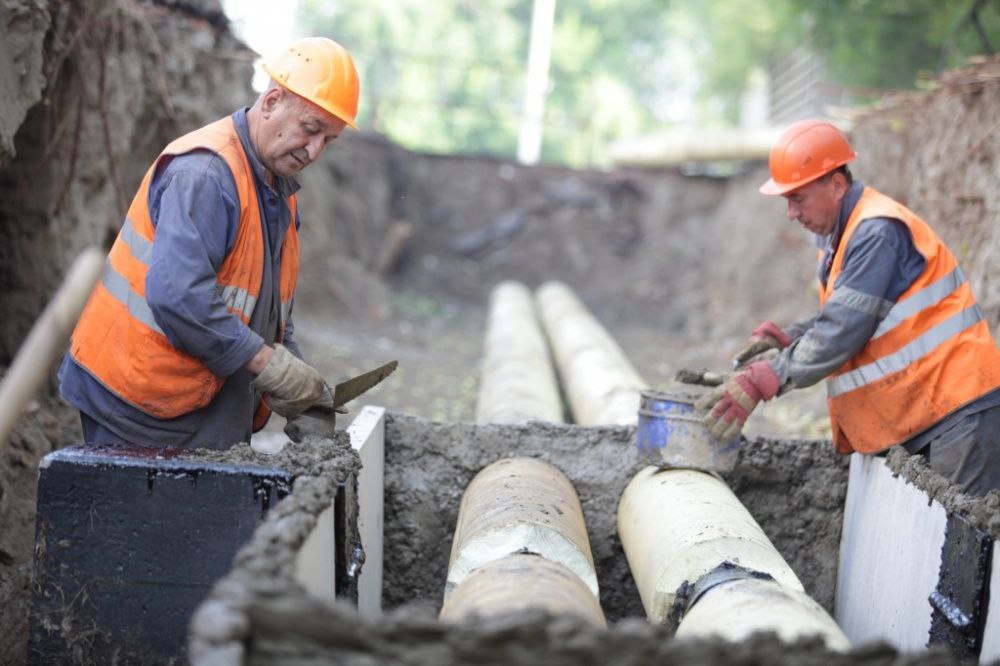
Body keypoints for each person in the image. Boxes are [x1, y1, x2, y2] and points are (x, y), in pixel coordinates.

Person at [58, 37, 360, 449]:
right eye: (311, 130)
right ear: (271, 102)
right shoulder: (205, 177)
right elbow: (179, 298)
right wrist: (269, 366)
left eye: (328, 140)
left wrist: (296, 384)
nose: (314, 150)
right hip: (138, 401)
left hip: (194, 396)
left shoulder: (277, 190)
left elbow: (264, 305)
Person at [697, 118, 1000, 495]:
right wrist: (788, 338)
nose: (791, 212)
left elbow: (843, 331)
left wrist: (765, 379)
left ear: (836, 185)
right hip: (934, 409)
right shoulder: (845, 234)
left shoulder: (876, 232)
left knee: (961, 545)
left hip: (958, 408)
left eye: (797, 197)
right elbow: (855, 317)